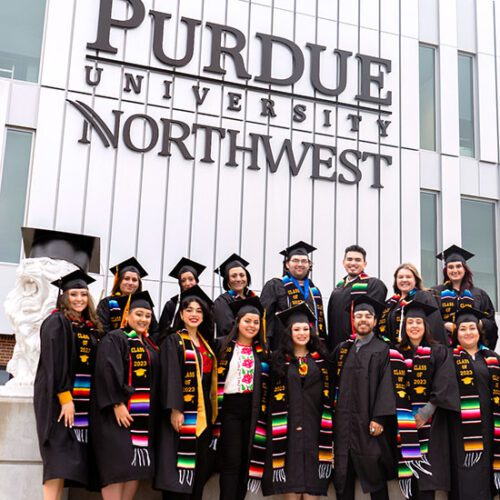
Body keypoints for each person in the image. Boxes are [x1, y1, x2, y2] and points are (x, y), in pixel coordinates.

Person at [34, 269, 102, 500]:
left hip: (77, 403)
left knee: (65, 462)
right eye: (74, 294)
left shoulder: (86, 326)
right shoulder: (56, 322)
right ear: (64, 297)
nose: (79, 299)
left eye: (83, 294)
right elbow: (55, 364)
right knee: (56, 460)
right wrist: (65, 399)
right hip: (58, 402)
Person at [91, 291, 159, 500]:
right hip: (114, 418)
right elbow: (106, 371)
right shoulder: (115, 338)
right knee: (116, 467)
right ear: (127, 315)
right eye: (139, 314)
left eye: (147, 316)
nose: (143, 319)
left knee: (134, 468)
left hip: (140, 418)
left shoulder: (150, 346)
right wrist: (117, 403)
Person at [262, 302, 333, 500]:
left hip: (315, 430)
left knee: (312, 489)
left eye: (305, 329)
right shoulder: (278, 360)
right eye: (296, 329)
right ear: (289, 332)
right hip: (287, 431)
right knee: (291, 489)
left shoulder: (322, 361)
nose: (301, 333)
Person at [155, 285, 218, 500]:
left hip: (203, 415)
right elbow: (171, 375)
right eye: (189, 310)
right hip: (181, 414)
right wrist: (175, 408)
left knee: (198, 470)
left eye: (199, 311)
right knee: (177, 470)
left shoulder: (205, 344)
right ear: (181, 314)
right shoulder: (174, 340)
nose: (194, 314)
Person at [331, 295, 396, 500]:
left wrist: (379, 418)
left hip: (369, 424)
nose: (363, 320)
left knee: (373, 472)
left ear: (375, 321)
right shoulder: (343, 349)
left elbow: (388, 385)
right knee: (343, 474)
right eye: (358, 316)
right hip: (343, 424)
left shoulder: (384, 349)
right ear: (353, 320)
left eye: (368, 316)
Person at [396, 300, 460, 499]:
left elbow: (444, 383)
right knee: (411, 483)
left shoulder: (439, 351)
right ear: (404, 327)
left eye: (418, 322)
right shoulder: (394, 352)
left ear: (425, 326)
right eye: (410, 322)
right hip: (402, 423)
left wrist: (426, 412)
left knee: (426, 482)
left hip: (431, 424)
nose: (414, 326)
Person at [213, 296, 269, 500]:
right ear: (238, 322)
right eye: (247, 321)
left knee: (247, 460)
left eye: (255, 322)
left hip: (253, 409)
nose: (252, 325)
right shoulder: (222, 346)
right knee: (232, 461)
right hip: (229, 409)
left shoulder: (263, 352)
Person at [448, 307, 500, 500]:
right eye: (462, 329)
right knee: (463, 476)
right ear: (456, 333)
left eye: (472, 328)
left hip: (488, 426)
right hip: (458, 428)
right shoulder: (448, 357)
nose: (468, 332)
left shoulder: (492, 359)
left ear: (479, 332)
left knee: (484, 474)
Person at [260, 241, 326, 350]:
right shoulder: (275, 285)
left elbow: (320, 324)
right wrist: (266, 348)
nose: (300, 264)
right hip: (281, 348)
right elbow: (265, 319)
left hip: (309, 350)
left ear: (309, 265)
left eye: (304, 261)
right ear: (287, 264)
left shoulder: (314, 291)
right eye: (295, 260)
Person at [432, 245, 498, 349]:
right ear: (446, 270)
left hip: (472, 348)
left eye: (458, 266)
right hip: (445, 349)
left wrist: (479, 324)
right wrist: (445, 325)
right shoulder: (435, 293)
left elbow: (491, 322)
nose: (454, 270)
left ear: (465, 269)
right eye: (450, 267)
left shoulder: (479, 294)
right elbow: (429, 318)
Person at [327, 244, 387, 351]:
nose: (353, 263)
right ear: (343, 262)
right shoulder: (337, 289)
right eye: (349, 259)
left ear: (364, 264)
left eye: (358, 260)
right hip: (336, 348)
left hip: (361, 348)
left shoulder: (373, 284)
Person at [378, 263, 446, 345]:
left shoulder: (423, 297)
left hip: (418, 350)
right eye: (400, 277)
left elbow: (434, 325)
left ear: (416, 280)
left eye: (408, 277)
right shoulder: (390, 303)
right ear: (396, 281)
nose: (404, 280)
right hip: (394, 351)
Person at [96, 257, 160, 341]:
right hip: (113, 346)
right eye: (126, 279)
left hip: (138, 349)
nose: (130, 283)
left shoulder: (143, 304)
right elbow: (102, 329)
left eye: (134, 280)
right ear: (119, 281)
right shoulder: (107, 303)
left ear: (139, 284)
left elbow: (154, 330)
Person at [158, 257, 206, 339]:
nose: (187, 283)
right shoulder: (172, 304)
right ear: (180, 283)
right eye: (183, 280)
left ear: (196, 281)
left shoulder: (205, 304)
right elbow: (162, 331)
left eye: (191, 279)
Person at [213, 254, 257, 338]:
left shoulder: (253, 298)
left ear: (247, 278)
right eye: (233, 276)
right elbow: (226, 329)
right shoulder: (222, 301)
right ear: (228, 281)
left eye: (242, 275)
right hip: (231, 347)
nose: (238, 279)